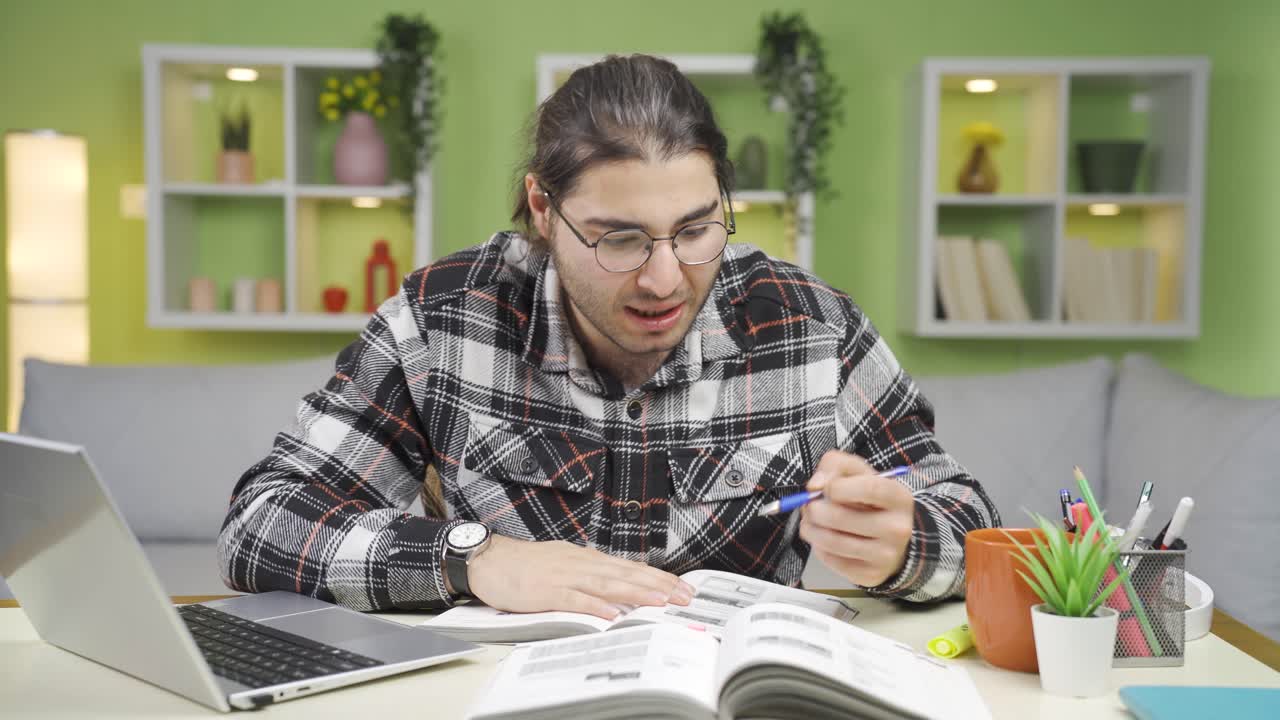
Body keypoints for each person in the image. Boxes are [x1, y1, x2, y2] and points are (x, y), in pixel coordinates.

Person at [218, 54, 999, 617]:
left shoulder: (810, 326)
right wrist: (475, 559)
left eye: (695, 230)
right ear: (542, 208)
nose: (665, 279)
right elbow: (263, 522)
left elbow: (970, 524)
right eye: (618, 239)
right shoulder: (445, 320)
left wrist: (907, 545)